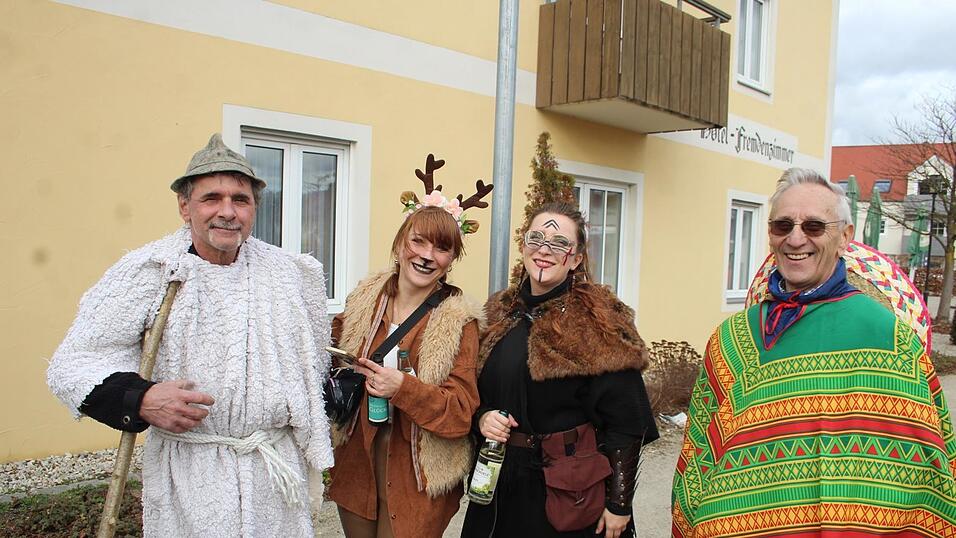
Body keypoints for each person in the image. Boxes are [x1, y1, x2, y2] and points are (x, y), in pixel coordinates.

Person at [47, 134, 333, 536]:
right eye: (211, 198)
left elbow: (314, 363)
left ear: (254, 208)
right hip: (191, 475)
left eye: (241, 199)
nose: (227, 212)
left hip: (274, 476)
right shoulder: (151, 271)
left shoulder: (290, 274)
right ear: (185, 206)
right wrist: (141, 398)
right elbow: (73, 364)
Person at [672, 168, 956, 536]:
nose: (795, 238)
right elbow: (698, 453)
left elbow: (931, 468)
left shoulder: (888, 336)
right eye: (782, 225)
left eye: (814, 227)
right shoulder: (733, 337)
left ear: (844, 238)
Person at [461, 201, 659, 538]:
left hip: (569, 492)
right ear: (523, 245)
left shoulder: (599, 323)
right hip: (500, 484)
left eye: (559, 244)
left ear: (576, 258)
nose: (545, 250)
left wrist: (619, 505)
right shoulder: (498, 312)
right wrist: (482, 417)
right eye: (536, 238)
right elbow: (474, 390)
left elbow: (627, 423)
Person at [324, 155, 491, 537]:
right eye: (418, 241)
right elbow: (326, 351)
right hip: (357, 461)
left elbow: (461, 412)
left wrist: (403, 389)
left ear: (451, 260)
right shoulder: (364, 299)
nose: (427, 256)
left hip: (418, 473)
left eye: (442, 248)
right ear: (401, 243)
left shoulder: (458, 321)